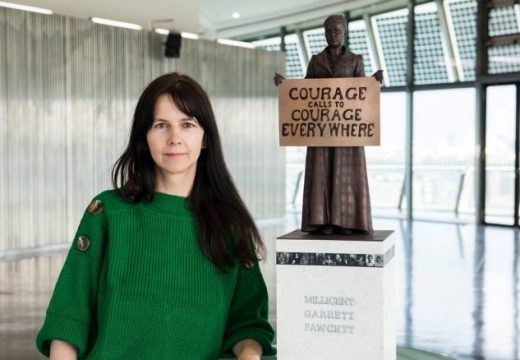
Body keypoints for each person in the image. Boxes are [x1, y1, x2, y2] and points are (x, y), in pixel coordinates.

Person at [35, 73, 275, 360]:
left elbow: (247, 324)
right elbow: (69, 317)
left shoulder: (231, 227)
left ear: (205, 137)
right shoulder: (107, 212)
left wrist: (249, 354)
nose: (175, 138)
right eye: (161, 125)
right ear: (144, 136)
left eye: (187, 124)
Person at [274, 14, 383, 235]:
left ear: (344, 33)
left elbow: (361, 94)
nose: (332, 35)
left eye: (336, 31)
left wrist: (374, 81)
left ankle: (348, 222)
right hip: (321, 130)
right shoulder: (316, 61)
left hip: (346, 133)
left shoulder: (355, 60)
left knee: (346, 174)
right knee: (321, 174)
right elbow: (304, 94)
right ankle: (321, 221)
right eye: (328, 31)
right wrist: (286, 86)